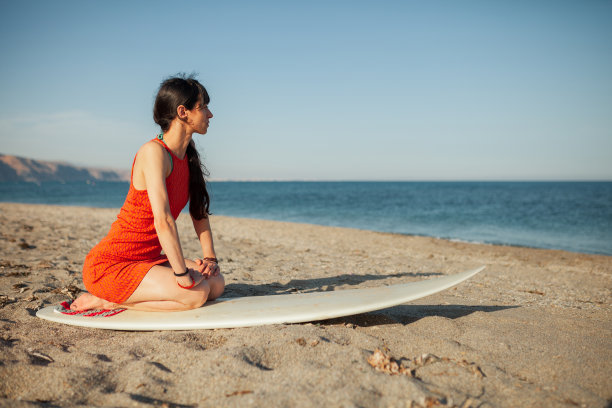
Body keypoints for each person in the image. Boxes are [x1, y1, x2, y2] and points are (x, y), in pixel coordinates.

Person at [70, 76, 225, 312]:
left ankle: (135, 294)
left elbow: (198, 211)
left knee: (215, 284)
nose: (210, 114)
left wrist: (210, 260)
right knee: (196, 295)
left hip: (148, 259)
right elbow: (163, 221)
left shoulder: (188, 154)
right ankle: (107, 300)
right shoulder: (154, 153)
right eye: (202, 107)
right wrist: (181, 274)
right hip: (113, 264)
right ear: (183, 112)